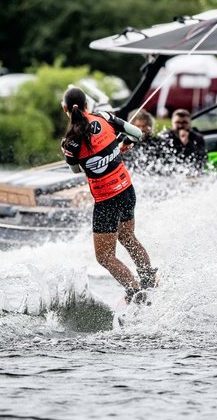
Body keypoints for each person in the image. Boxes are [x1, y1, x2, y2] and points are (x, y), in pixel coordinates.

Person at [60, 87, 157, 303]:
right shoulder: (105, 116)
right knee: (127, 236)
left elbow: (78, 170)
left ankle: (136, 292)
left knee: (104, 257)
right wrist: (123, 145)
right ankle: (149, 279)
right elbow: (137, 133)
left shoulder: (70, 143)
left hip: (106, 200)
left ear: (65, 109)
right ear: (87, 106)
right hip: (126, 189)